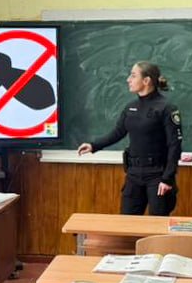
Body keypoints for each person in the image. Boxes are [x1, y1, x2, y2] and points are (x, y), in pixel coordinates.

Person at [76, 61, 182, 216]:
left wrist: (167, 179)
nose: (128, 80)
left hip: (158, 175)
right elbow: (118, 132)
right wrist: (93, 145)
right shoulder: (131, 107)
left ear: (146, 81)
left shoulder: (166, 108)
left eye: (133, 76)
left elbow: (175, 145)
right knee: (127, 222)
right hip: (134, 174)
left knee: (157, 225)